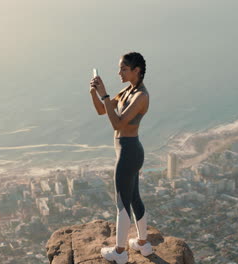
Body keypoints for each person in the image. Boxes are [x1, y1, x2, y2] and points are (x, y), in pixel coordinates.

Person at [90, 52, 153, 264]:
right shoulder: (128, 90)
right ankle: (143, 244)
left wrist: (106, 95)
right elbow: (102, 111)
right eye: (120, 69)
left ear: (137, 71)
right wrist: (95, 93)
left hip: (129, 151)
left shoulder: (140, 96)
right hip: (128, 151)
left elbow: (118, 124)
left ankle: (119, 252)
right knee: (134, 198)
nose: (119, 73)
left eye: (124, 69)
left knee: (122, 203)